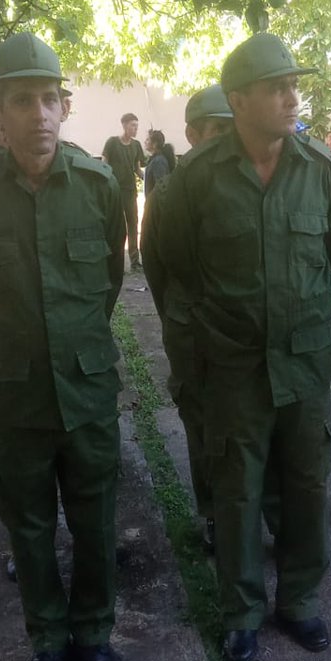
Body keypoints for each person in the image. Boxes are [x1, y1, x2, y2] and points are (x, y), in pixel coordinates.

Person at [155, 34, 331, 661]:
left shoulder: (320, 168)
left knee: (305, 482)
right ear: (239, 100)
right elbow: (173, 266)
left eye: (295, 85)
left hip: (304, 361)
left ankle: (300, 600)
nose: (293, 98)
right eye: (277, 88)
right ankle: (240, 611)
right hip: (234, 364)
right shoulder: (198, 178)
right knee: (237, 490)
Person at [0, 31, 127, 661]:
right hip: (14, 388)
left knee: (96, 514)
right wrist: (19, 345)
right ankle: (48, 641)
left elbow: (109, 280)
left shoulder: (100, 185)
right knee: (27, 521)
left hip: (85, 386)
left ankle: (94, 636)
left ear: (66, 105)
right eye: (22, 101)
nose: (39, 114)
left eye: (50, 99)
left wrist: (72, 344)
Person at [142, 85, 235, 551]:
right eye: (217, 129)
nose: (226, 139)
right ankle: (215, 514)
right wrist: (178, 321)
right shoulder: (166, 194)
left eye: (232, 128)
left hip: (242, 335)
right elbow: (156, 270)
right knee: (202, 427)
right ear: (193, 134)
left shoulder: (249, 187)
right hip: (192, 333)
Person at [102, 113, 145, 268]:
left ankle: (134, 259)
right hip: (114, 191)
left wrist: (150, 178)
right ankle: (115, 259)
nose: (136, 128)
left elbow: (137, 169)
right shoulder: (112, 143)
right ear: (124, 125)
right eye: (133, 125)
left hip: (130, 190)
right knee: (116, 225)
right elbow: (104, 163)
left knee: (133, 223)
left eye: (137, 125)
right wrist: (105, 181)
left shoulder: (136, 145)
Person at [143, 128, 176, 198]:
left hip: (156, 206)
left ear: (155, 144)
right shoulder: (154, 160)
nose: (144, 142)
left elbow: (161, 189)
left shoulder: (158, 162)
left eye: (147, 139)